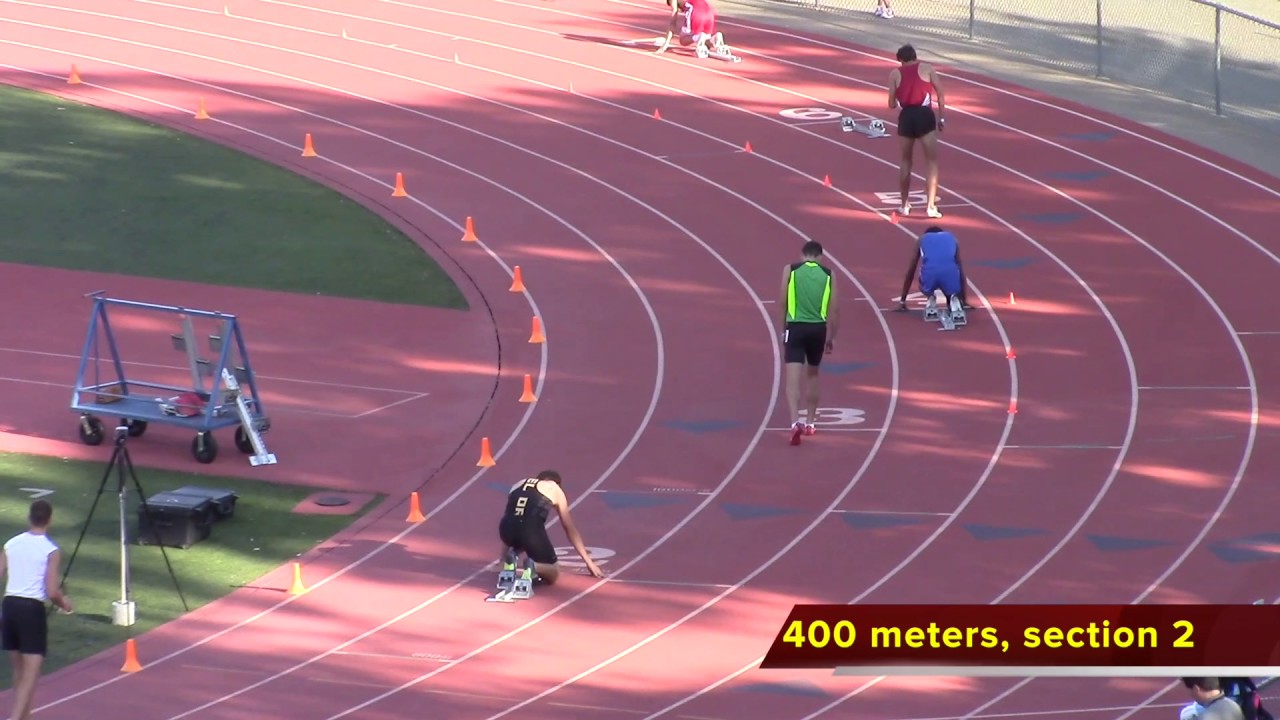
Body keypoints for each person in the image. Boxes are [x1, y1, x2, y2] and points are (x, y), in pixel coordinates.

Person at [1, 500, 73, 720]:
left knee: (19, 672)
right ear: (49, 520)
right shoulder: (50, 550)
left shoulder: (11, 544)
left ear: (29, 517)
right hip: (31, 610)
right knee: (31, 674)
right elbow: (52, 591)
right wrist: (65, 603)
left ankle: (26, 718)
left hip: (9, 605)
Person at [778, 240, 839, 446]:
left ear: (803, 255)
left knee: (792, 378)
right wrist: (832, 336)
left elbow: (782, 301)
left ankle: (795, 422)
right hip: (818, 329)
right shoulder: (829, 274)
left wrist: (782, 328)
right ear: (820, 256)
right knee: (813, 375)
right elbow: (835, 308)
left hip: (795, 328)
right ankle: (811, 423)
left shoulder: (791, 270)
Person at [498, 471, 604, 587]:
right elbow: (569, 528)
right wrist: (589, 562)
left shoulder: (518, 484)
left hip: (505, 529)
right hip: (530, 532)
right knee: (553, 572)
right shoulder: (554, 488)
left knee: (518, 528)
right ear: (558, 484)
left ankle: (510, 559)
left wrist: (502, 559)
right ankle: (533, 566)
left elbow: (513, 516)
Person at [887, 44, 946, 219]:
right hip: (925, 116)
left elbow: (890, 104)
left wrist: (901, 100)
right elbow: (941, 94)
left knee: (905, 161)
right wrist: (941, 118)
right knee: (931, 163)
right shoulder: (927, 68)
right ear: (915, 56)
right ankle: (930, 206)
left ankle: (904, 205)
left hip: (906, 117)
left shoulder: (895, 74)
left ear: (900, 59)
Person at [895, 226, 970, 316]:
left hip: (929, 277)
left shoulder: (922, 239)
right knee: (951, 276)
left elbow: (911, 270)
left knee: (927, 273)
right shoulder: (953, 238)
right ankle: (954, 300)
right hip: (951, 277)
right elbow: (960, 270)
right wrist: (964, 299)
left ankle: (931, 297)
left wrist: (902, 301)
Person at [655, 0, 727, 59]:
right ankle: (714, 38)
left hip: (695, 11)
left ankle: (698, 37)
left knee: (683, 40)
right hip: (709, 11)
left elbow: (673, 23)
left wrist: (665, 45)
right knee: (706, 44)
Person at [1181, 678, 1245, 720]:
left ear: (1196, 689)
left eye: (1190, 690)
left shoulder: (1204, 717)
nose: (1191, 695)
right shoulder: (1234, 706)